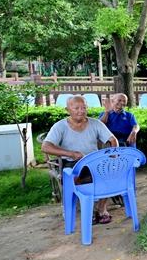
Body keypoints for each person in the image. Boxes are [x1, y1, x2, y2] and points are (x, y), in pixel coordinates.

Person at [41, 95, 118, 223]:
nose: (81, 111)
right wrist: (70, 153)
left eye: (83, 107)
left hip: (93, 160)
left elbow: (112, 140)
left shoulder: (95, 123)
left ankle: (101, 208)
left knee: (112, 171)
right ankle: (86, 209)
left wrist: (113, 154)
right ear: (67, 110)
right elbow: (45, 146)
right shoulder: (60, 126)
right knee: (82, 177)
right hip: (71, 162)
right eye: (76, 108)